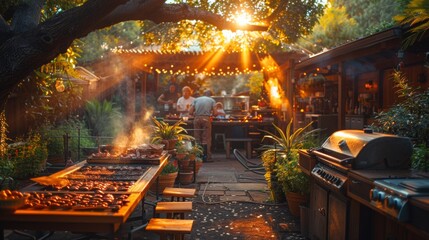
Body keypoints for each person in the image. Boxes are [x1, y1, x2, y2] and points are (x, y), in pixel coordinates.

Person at [189, 90, 217, 162]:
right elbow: (216, 113)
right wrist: (211, 115)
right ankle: (206, 157)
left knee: (197, 138)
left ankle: (197, 157)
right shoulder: (212, 100)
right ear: (210, 95)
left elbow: (190, 112)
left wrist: (196, 115)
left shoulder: (196, 99)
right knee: (206, 138)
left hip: (197, 119)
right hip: (206, 119)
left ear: (203, 94)